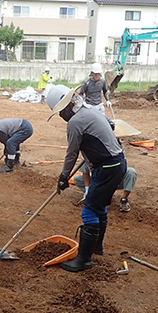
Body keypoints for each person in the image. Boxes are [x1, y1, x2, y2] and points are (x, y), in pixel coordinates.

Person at [46, 85, 126, 272]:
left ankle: (84, 259)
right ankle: (96, 247)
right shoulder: (91, 110)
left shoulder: (75, 122)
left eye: (60, 112)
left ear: (67, 107)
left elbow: (71, 154)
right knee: (99, 206)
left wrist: (64, 177)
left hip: (107, 167)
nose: (60, 116)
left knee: (89, 209)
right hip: (116, 163)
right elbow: (112, 125)